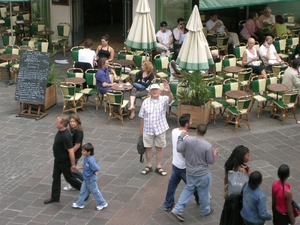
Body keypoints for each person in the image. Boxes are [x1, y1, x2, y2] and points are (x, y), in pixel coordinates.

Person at [171, 123, 218, 222]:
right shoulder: (207, 146)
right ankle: (205, 210)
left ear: (196, 130)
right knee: (204, 192)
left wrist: (181, 137)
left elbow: (179, 149)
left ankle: (178, 209)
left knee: (188, 189)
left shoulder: (188, 140)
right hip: (202, 174)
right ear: (205, 132)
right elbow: (211, 161)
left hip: (190, 172)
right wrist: (214, 154)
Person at [163, 114, 199, 211]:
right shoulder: (186, 137)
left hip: (175, 164)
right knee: (192, 184)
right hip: (183, 166)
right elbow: (185, 153)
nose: (191, 122)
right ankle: (200, 200)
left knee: (172, 185)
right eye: (190, 121)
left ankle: (168, 204)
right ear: (187, 124)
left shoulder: (174, 131)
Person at [44, 115, 82, 204]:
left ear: (62, 124)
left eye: (57, 122)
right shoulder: (60, 132)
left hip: (64, 162)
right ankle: (55, 197)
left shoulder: (65, 136)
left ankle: (85, 190)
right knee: (56, 177)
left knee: (70, 179)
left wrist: (73, 165)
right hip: (58, 160)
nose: (55, 123)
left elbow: (71, 151)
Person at [138, 83, 174, 176]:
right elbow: (141, 116)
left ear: (159, 91)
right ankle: (149, 165)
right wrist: (141, 130)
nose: (154, 91)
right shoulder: (145, 101)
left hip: (160, 128)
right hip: (148, 129)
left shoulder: (163, 99)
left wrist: (169, 92)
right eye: (152, 90)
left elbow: (171, 100)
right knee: (148, 148)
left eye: (156, 90)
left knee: (159, 148)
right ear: (149, 92)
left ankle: (158, 166)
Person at [219, 145, 251, 225]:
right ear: (241, 157)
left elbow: (226, 180)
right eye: (248, 155)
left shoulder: (230, 165)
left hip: (229, 199)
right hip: (238, 202)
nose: (249, 157)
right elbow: (247, 184)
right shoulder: (242, 170)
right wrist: (249, 173)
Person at [72, 143, 108, 211]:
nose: (82, 152)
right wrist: (77, 168)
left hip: (90, 179)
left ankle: (102, 203)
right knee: (83, 191)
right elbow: (85, 166)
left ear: (89, 152)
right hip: (86, 179)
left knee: (95, 191)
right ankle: (79, 203)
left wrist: (95, 172)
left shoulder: (90, 160)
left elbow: (96, 168)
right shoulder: (87, 158)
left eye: (84, 151)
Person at [63, 114, 84, 191]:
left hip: (75, 154)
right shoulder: (72, 130)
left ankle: (84, 180)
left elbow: (78, 145)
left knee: (72, 169)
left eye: (73, 121)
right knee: (71, 169)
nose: (71, 123)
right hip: (73, 154)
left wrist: (70, 153)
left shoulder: (78, 132)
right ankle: (73, 183)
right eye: (70, 121)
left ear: (77, 122)